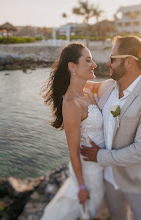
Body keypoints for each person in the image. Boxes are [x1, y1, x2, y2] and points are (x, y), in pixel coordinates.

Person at [80, 36, 141, 220]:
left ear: (129, 61)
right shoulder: (108, 87)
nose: (107, 63)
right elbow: (80, 86)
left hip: (139, 183)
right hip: (109, 180)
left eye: (113, 58)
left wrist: (99, 156)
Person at [41, 42, 105, 220]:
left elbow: (113, 85)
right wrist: (82, 187)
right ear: (72, 66)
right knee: (88, 211)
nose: (94, 65)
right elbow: (73, 151)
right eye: (88, 60)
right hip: (88, 170)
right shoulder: (71, 104)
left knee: (97, 209)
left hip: (102, 163)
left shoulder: (88, 91)